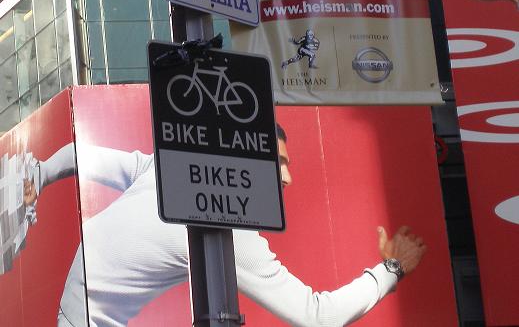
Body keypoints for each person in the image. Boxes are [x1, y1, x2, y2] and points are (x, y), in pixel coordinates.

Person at [24, 125, 426, 327]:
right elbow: (316, 316)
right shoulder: (229, 233)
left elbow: (79, 155)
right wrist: (390, 270)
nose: (287, 180)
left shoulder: (170, 172)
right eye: (279, 164)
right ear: (244, 163)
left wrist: (39, 175)